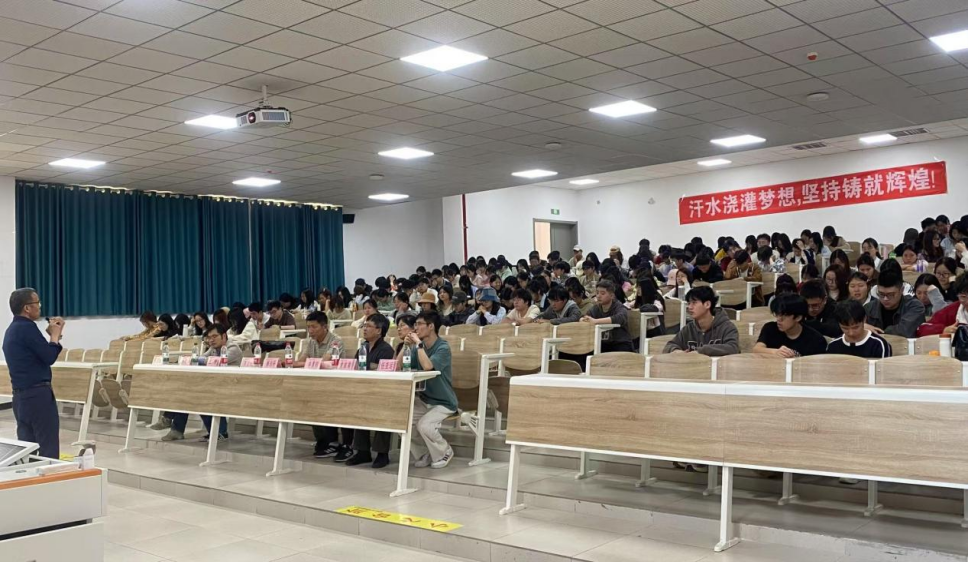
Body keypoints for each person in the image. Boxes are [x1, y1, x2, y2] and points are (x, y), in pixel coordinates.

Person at [3, 288, 64, 458]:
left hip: (20, 398)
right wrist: (55, 337)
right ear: (27, 308)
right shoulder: (28, 328)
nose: (40, 306)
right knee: (48, 448)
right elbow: (49, 356)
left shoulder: (12, 330)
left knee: (28, 450)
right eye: (37, 303)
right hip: (38, 396)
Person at [164, 324, 237, 442]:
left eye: (214, 336)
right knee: (186, 392)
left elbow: (216, 361)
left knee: (200, 396)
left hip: (231, 386)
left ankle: (220, 432)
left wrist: (199, 359)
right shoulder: (213, 349)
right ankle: (175, 428)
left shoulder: (233, 348)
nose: (211, 340)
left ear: (224, 336)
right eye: (209, 337)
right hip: (214, 384)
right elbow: (200, 358)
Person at [404, 311, 457, 469]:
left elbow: (428, 366)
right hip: (424, 399)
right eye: (415, 324)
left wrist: (418, 344)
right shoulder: (417, 348)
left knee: (424, 426)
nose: (415, 328)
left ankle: (444, 450)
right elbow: (400, 365)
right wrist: (406, 346)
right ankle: (424, 453)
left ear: (431, 326)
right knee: (405, 421)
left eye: (419, 324)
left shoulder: (443, 348)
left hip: (444, 402)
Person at [346, 314, 395, 468]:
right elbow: (357, 366)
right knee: (357, 405)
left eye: (368, 326)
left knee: (382, 410)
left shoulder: (386, 349)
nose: (364, 329)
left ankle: (382, 454)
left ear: (379, 330)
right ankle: (362, 452)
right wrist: (372, 366)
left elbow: (384, 370)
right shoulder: (363, 347)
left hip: (381, 391)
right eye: (364, 326)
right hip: (363, 389)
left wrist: (371, 367)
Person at [663, 286, 740, 355]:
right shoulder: (688, 329)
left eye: (694, 303)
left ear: (707, 304)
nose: (689, 307)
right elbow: (669, 346)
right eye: (689, 303)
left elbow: (733, 348)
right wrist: (676, 351)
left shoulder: (727, 327)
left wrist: (701, 351)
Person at [752, 294, 827, 358]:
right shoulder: (770, 328)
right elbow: (756, 349)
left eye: (784, 315)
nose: (778, 319)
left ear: (798, 317)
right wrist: (775, 352)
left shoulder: (816, 340)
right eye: (777, 314)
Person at [865, 269, 926, 337]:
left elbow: (903, 331)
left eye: (890, 294)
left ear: (901, 290)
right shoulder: (869, 308)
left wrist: (872, 331)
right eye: (881, 294)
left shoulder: (915, 306)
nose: (885, 299)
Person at [827, 300, 892, 358]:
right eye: (845, 328)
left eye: (855, 327)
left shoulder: (879, 344)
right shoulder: (833, 345)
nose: (851, 333)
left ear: (864, 319)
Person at [581, 280, 632, 352]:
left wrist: (595, 321)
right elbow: (585, 317)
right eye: (597, 293)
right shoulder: (596, 308)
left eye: (602, 293)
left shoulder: (619, 307)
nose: (598, 296)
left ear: (612, 296)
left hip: (620, 343)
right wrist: (583, 320)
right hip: (602, 344)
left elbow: (620, 318)